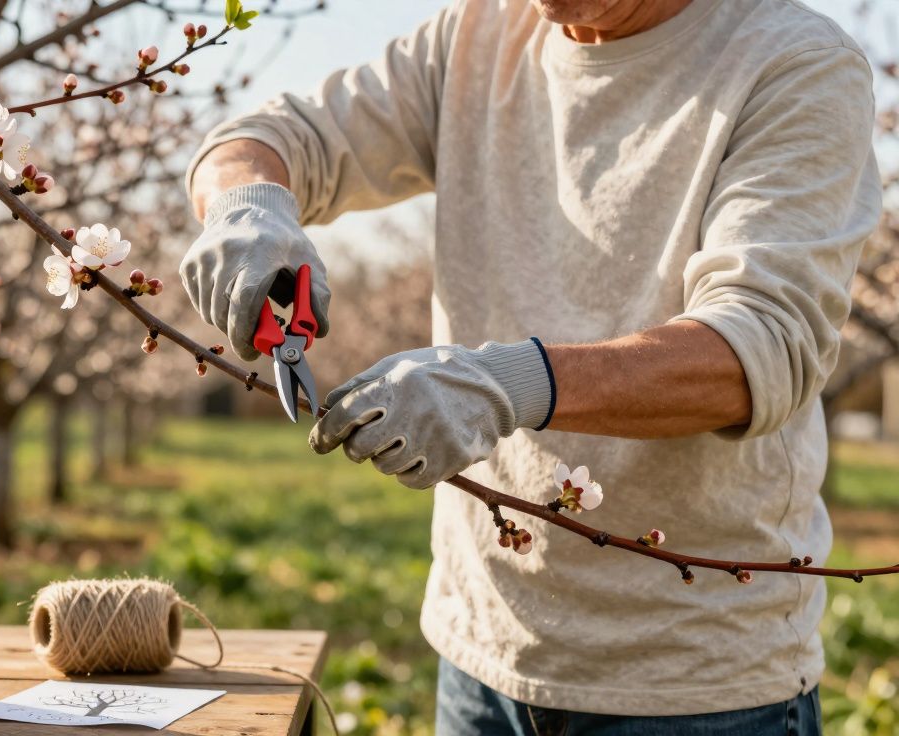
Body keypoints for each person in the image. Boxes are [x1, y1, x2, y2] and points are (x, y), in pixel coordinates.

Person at [177, 0, 881, 733]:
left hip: (694, 680)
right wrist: (246, 204)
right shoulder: (477, 35)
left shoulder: (794, 61)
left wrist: (507, 384)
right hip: (481, 652)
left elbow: (758, 349)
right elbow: (270, 137)